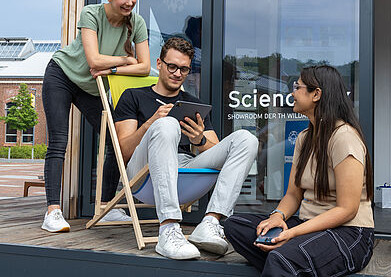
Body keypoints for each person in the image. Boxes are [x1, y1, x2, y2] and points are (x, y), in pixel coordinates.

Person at [114, 37, 258, 260]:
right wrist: (151, 123)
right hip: (143, 173)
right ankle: (169, 228)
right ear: (159, 63)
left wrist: (200, 140)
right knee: (167, 123)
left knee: (247, 139)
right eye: (172, 66)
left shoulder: (191, 103)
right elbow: (123, 151)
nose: (177, 73)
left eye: (184, 69)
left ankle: (210, 222)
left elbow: (218, 151)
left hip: (185, 170)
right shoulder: (134, 96)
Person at [224, 65, 374, 277]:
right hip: (308, 226)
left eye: (297, 87)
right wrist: (278, 216)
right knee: (235, 226)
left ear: (316, 94)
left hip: (349, 233)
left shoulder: (344, 137)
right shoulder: (305, 138)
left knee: (282, 258)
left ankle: (287, 262)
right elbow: (293, 194)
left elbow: (347, 210)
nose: (292, 93)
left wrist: (292, 233)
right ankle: (292, 264)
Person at [41, 0, 150, 233]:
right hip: (62, 75)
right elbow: (94, 61)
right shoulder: (91, 13)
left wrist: (112, 69)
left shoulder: (137, 22)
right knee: (58, 141)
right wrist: (125, 61)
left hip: (91, 87)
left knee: (115, 140)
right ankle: (53, 212)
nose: (129, 2)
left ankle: (106, 207)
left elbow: (145, 67)